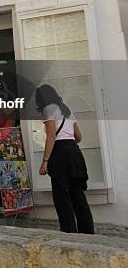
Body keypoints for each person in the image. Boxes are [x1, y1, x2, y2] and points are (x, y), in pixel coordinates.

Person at [36, 84, 94, 234]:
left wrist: (45, 160)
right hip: (74, 151)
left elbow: (51, 136)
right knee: (78, 195)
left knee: (61, 196)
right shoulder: (66, 109)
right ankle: (87, 232)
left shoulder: (48, 109)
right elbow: (79, 137)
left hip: (60, 153)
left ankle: (69, 232)